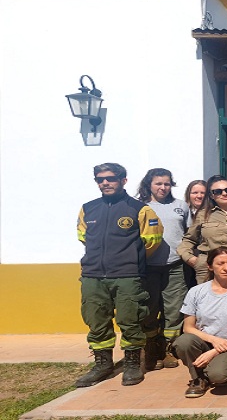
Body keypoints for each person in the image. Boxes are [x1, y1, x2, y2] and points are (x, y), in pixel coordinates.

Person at [75, 163, 163, 387]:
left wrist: (129, 259)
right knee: (96, 321)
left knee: (130, 320)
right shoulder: (88, 208)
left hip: (128, 275)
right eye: (100, 179)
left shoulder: (140, 209)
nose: (105, 182)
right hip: (93, 276)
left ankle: (132, 364)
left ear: (123, 180)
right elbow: (83, 236)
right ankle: (102, 364)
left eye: (110, 178)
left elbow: (151, 241)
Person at [173, 247, 227, 398]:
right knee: (183, 342)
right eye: (220, 263)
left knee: (218, 376)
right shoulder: (196, 292)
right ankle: (198, 379)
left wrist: (215, 351)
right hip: (205, 341)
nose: (226, 268)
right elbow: (188, 328)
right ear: (210, 266)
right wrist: (213, 341)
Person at [137, 168, 191, 371]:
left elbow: (188, 234)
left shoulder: (180, 206)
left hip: (175, 265)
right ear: (149, 184)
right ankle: (153, 349)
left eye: (166, 184)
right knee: (149, 309)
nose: (163, 187)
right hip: (148, 267)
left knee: (174, 310)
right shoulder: (140, 207)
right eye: (158, 183)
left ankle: (169, 350)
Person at [178, 176, 227, 286]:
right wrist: (191, 259)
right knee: (208, 301)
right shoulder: (203, 214)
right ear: (211, 195)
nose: (224, 194)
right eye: (218, 192)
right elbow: (189, 239)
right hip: (207, 266)